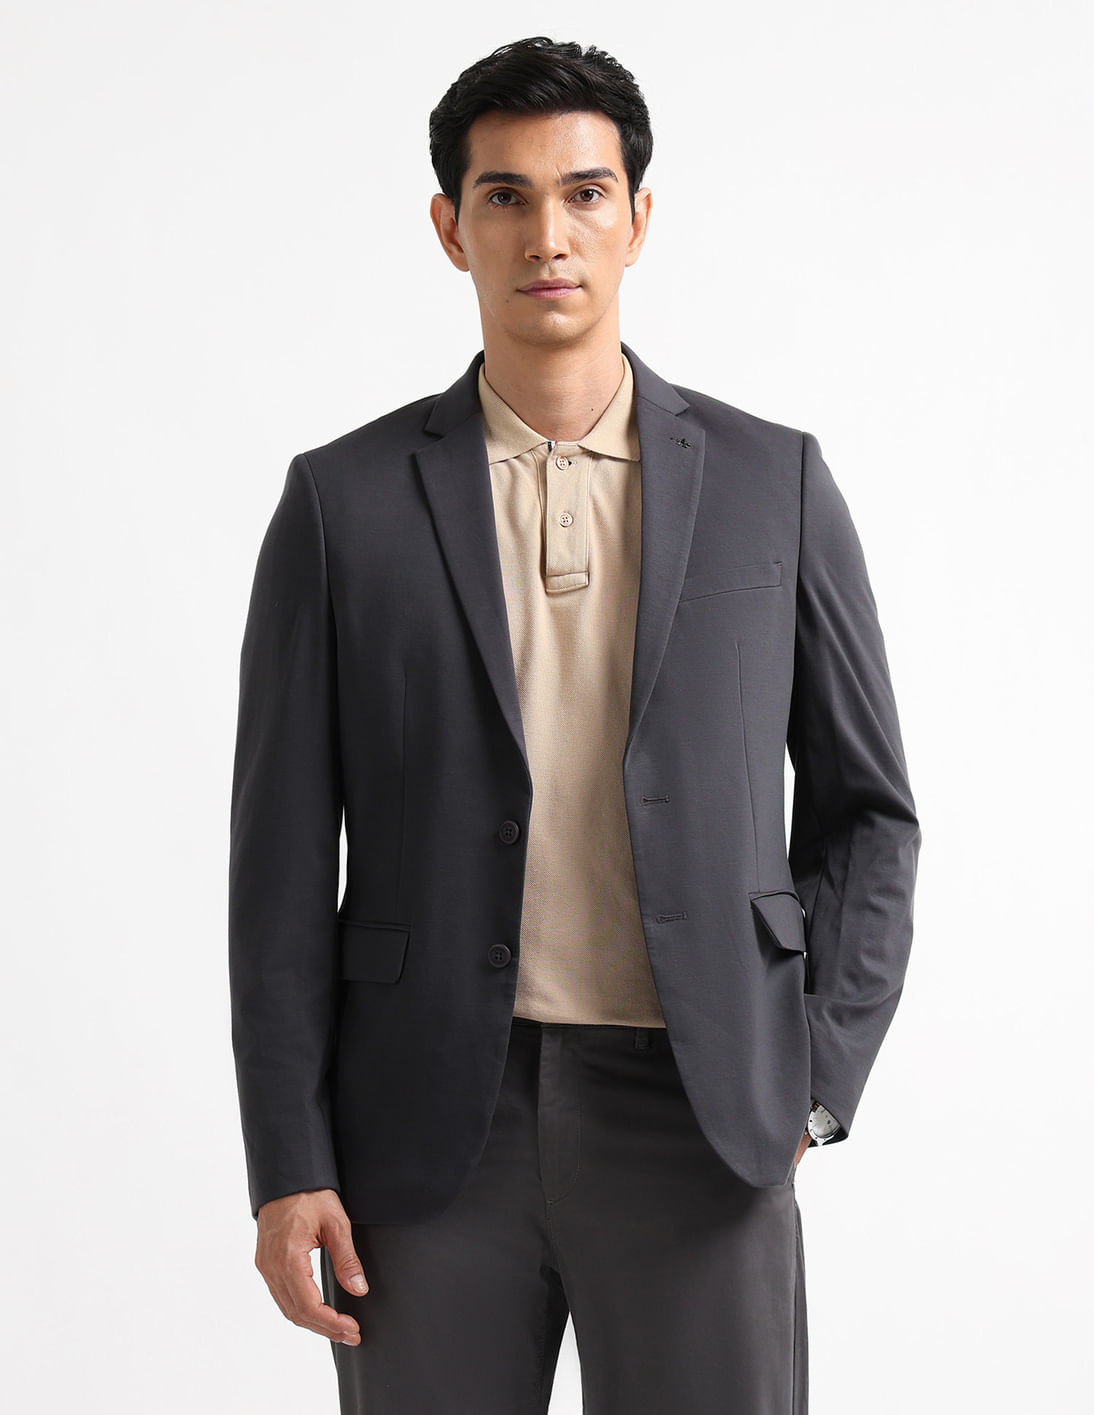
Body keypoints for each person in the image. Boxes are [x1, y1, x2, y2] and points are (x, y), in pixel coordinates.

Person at [228, 35, 920, 1415]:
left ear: (637, 219)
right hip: (427, 1129)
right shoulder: (343, 503)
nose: (548, 234)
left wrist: (812, 1079)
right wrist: (289, 1160)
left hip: (702, 1116)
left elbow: (869, 815)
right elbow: (281, 867)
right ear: (451, 228)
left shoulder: (771, 483)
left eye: (584, 193)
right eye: (506, 196)